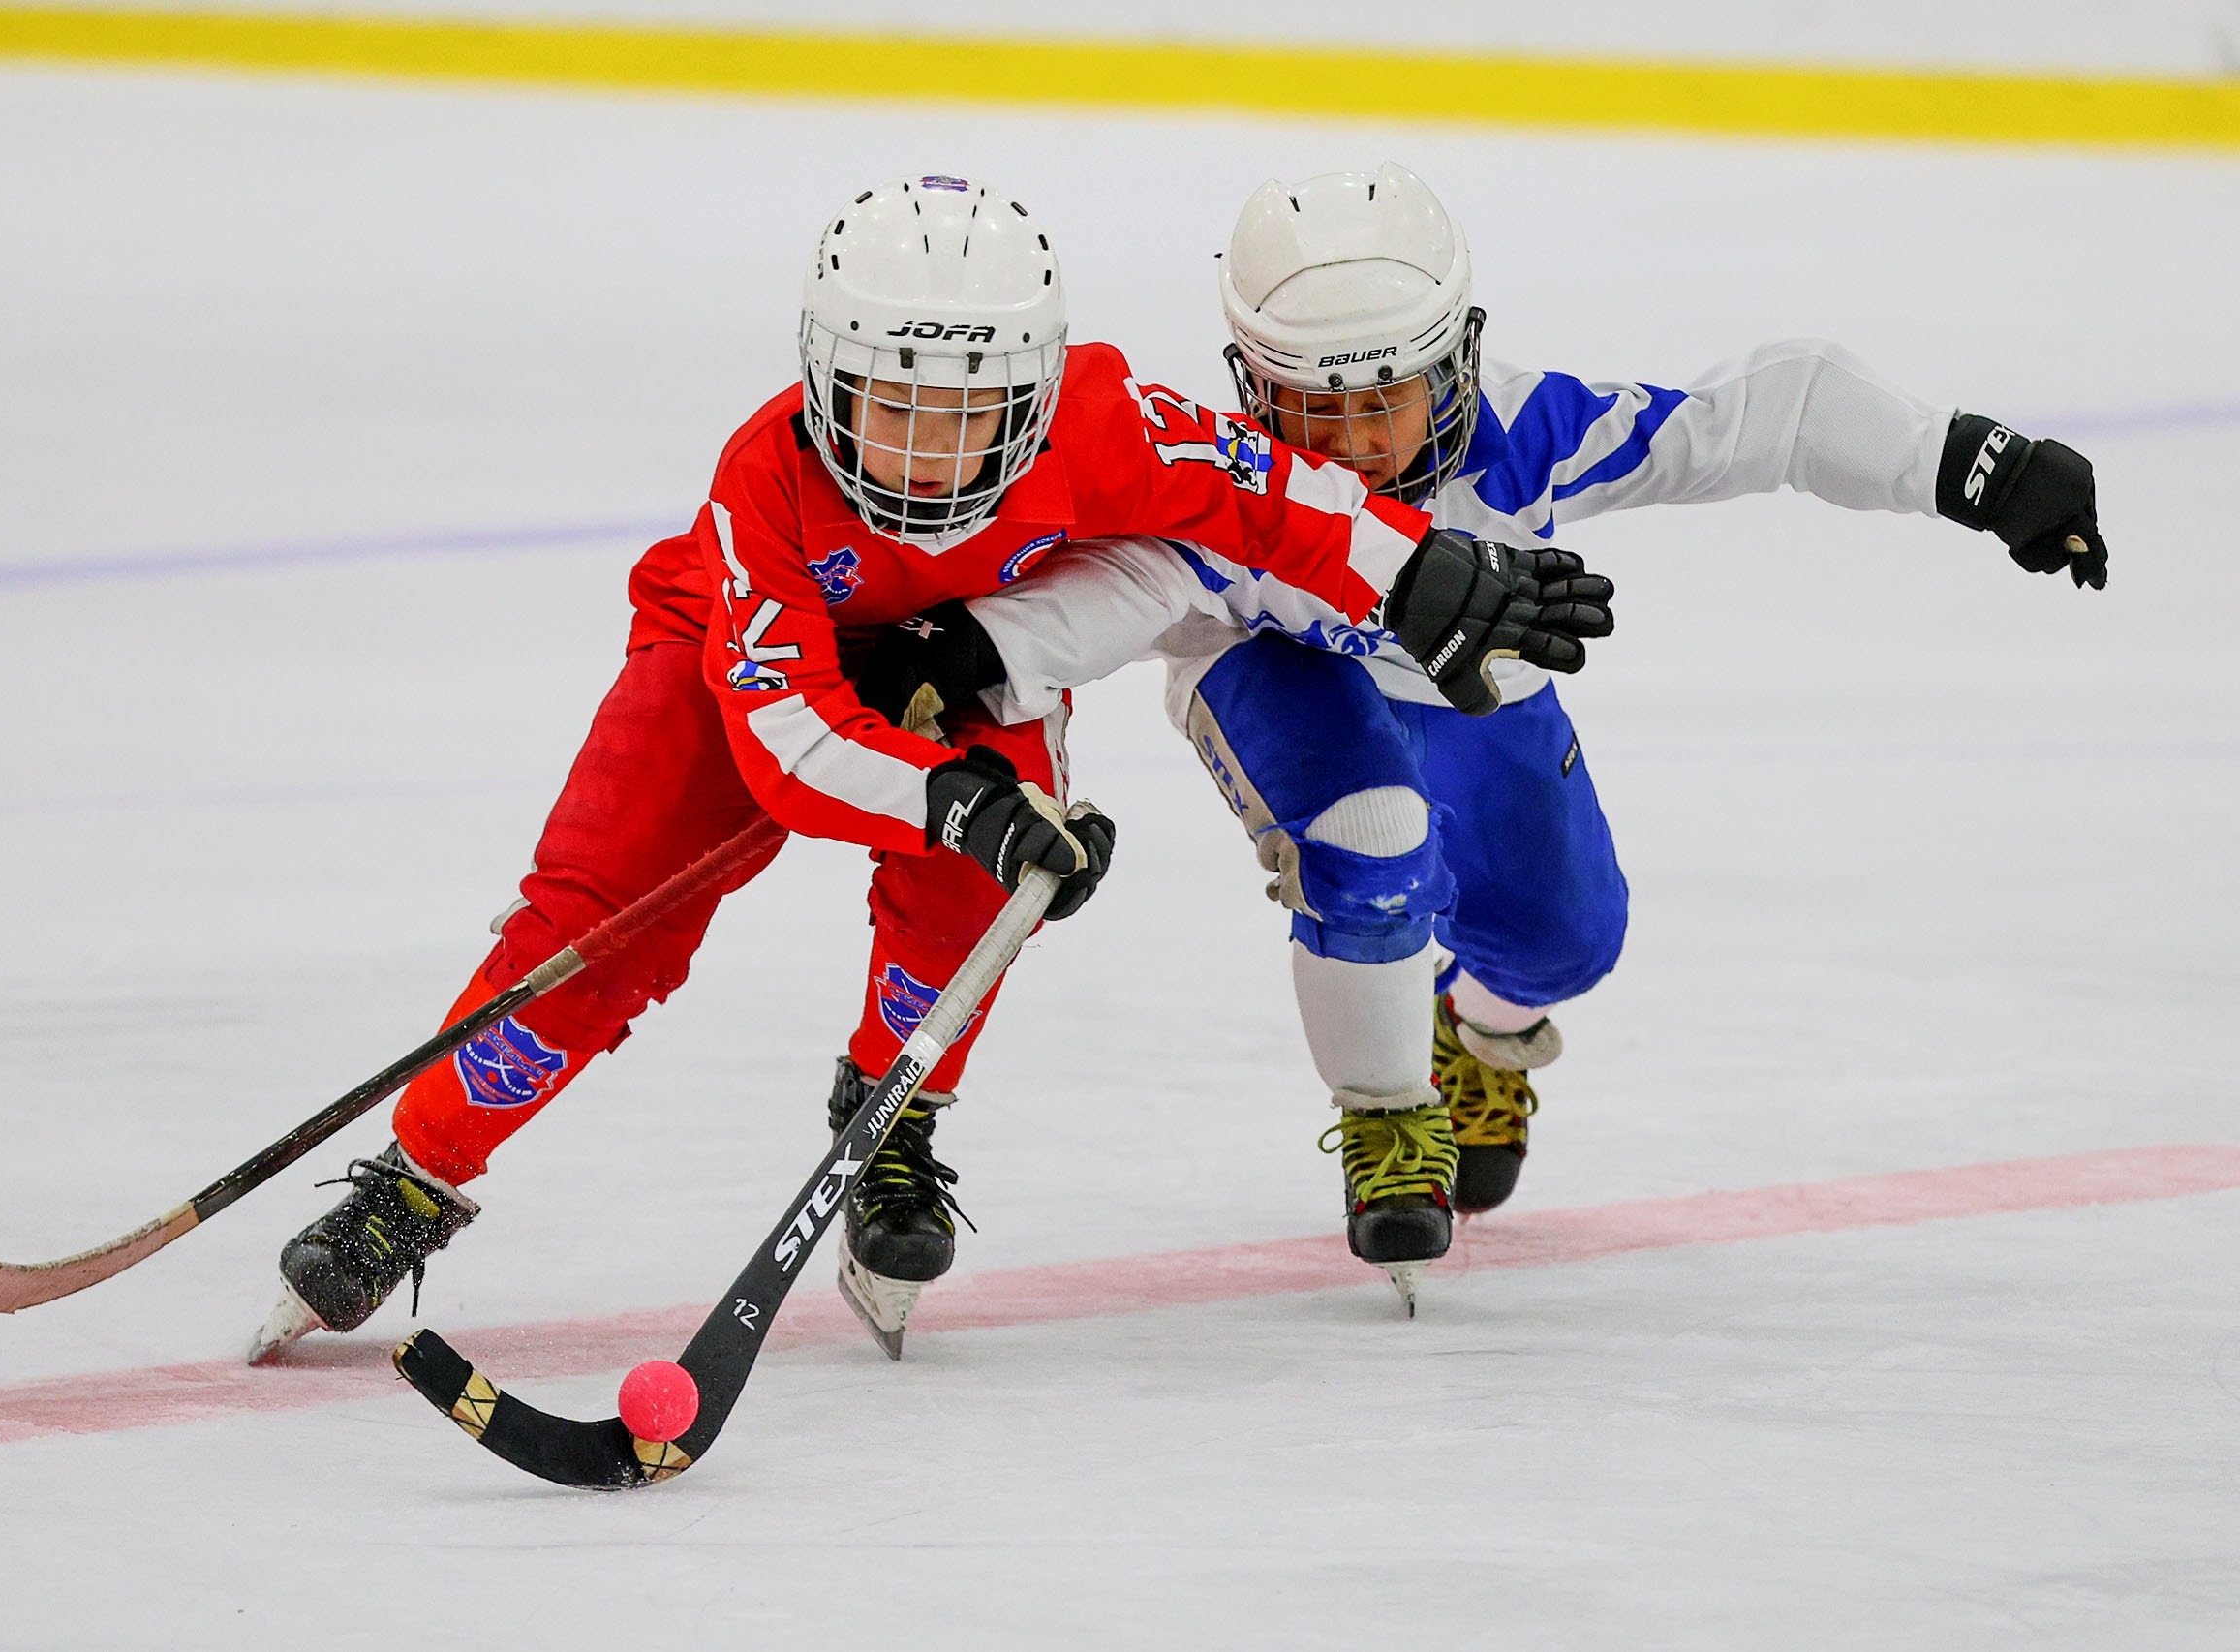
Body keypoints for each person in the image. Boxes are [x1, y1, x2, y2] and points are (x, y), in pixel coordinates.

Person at [247, 173, 1614, 1360]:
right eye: (889, 408)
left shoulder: (1101, 416)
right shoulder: (760, 484)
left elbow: (1262, 486)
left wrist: (1421, 566)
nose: (923, 450)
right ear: (821, 378)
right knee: (600, 920)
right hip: (737, 661)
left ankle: (893, 1110)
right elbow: (789, 745)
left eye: (970, 414)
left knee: (969, 907)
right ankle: (417, 1172)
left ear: (1033, 394)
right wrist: (955, 799)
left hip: (968, 664)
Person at [861, 162, 2106, 1307]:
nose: (1347, 446)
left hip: (1471, 690)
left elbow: (1766, 413)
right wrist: (973, 650)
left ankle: (1484, 1031)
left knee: (1569, 937)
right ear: (1249, 385)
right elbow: (1131, 586)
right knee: (1370, 839)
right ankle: (1388, 1115)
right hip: (1270, 667)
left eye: (1381, 404)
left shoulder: (1532, 438)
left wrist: (1971, 466)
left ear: (1455, 362)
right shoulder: (1229, 476)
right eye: (1308, 407)